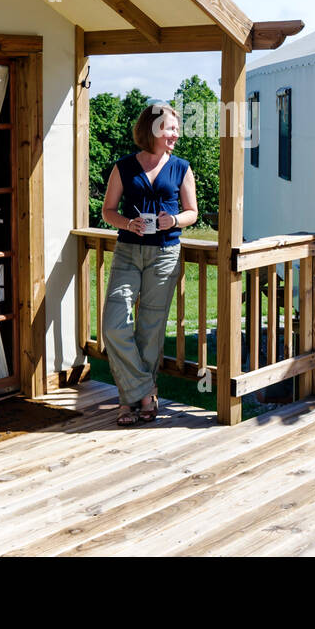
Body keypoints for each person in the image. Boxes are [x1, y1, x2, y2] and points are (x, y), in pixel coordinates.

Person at [99, 102, 198, 425]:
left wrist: (175, 221)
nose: (176, 134)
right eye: (170, 128)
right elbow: (108, 211)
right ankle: (143, 390)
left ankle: (133, 400)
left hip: (165, 253)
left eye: (176, 129)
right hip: (128, 251)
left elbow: (192, 212)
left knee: (151, 329)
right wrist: (128, 224)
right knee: (114, 325)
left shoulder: (181, 167)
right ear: (153, 129)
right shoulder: (124, 166)